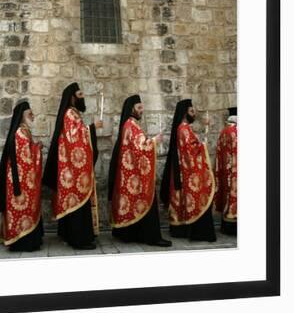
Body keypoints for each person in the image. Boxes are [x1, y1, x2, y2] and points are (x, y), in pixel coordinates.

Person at [43, 82, 102, 249]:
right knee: (77, 201)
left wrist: (89, 128)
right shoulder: (70, 113)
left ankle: (73, 235)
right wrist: (92, 127)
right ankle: (78, 239)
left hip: (72, 167)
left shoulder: (74, 113)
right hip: (72, 169)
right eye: (81, 94)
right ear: (73, 97)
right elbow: (73, 137)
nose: (83, 97)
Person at [107, 95, 171, 247]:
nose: (142, 111)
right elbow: (140, 147)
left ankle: (131, 234)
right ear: (131, 109)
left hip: (132, 172)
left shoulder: (130, 124)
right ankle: (152, 237)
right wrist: (155, 140)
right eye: (139, 108)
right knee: (146, 199)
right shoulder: (131, 125)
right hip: (135, 174)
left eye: (142, 107)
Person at [160, 99, 216, 242]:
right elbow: (191, 150)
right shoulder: (184, 129)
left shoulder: (183, 128)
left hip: (182, 170)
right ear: (185, 113)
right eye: (192, 111)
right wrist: (202, 145)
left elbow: (192, 146)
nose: (194, 113)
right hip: (187, 170)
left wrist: (203, 135)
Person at [0, 101, 44, 251]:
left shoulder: (24, 131)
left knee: (26, 208)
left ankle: (29, 239)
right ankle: (22, 242)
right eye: (30, 114)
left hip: (23, 177)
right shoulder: (20, 133)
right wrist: (37, 150)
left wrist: (35, 147)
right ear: (22, 116)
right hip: (20, 179)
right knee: (23, 208)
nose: (32, 116)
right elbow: (24, 158)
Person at [214, 107, 238, 235]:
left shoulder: (224, 131)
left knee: (227, 196)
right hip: (234, 171)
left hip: (225, 171)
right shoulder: (236, 131)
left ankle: (226, 225)